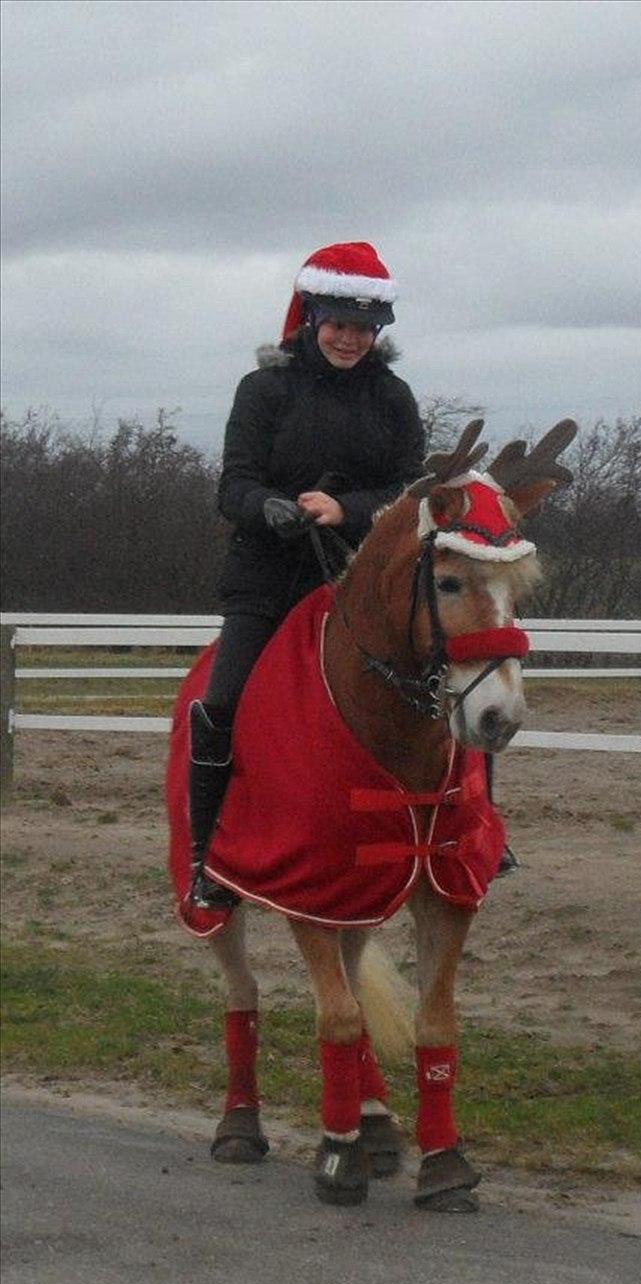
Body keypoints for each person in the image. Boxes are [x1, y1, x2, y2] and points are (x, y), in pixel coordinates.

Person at [188, 241, 426, 909]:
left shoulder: (394, 397)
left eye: (363, 328)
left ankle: (472, 834)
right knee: (223, 703)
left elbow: (411, 489)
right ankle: (209, 859)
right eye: (339, 325)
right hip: (268, 577)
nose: (350, 339)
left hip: (363, 579)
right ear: (312, 318)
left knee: (451, 681)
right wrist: (271, 508)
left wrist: (345, 509)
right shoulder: (263, 390)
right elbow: (233, 486)